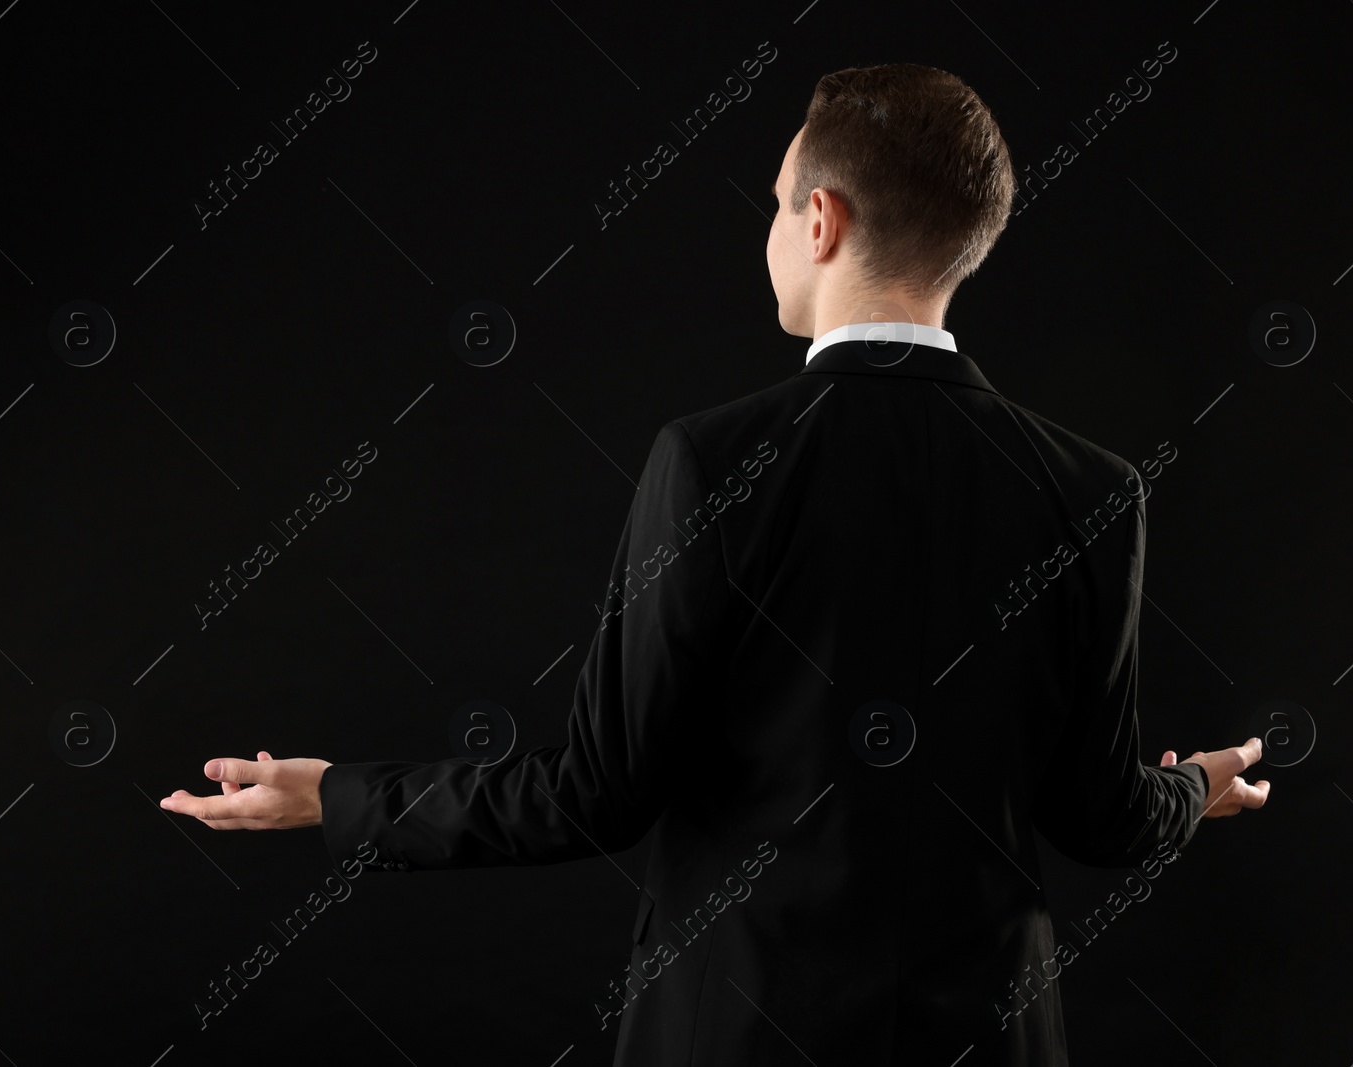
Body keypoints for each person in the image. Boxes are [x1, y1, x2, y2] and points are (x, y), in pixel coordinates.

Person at [161, 62, 1271, 1065]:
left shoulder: (711, 460)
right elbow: (1102, 817)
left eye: (777, 204)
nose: (772, 230)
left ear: (822, 220)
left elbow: (595, 792)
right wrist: (1195, 786)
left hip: (736, 1030)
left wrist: (337, 797)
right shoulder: (1091, 489)